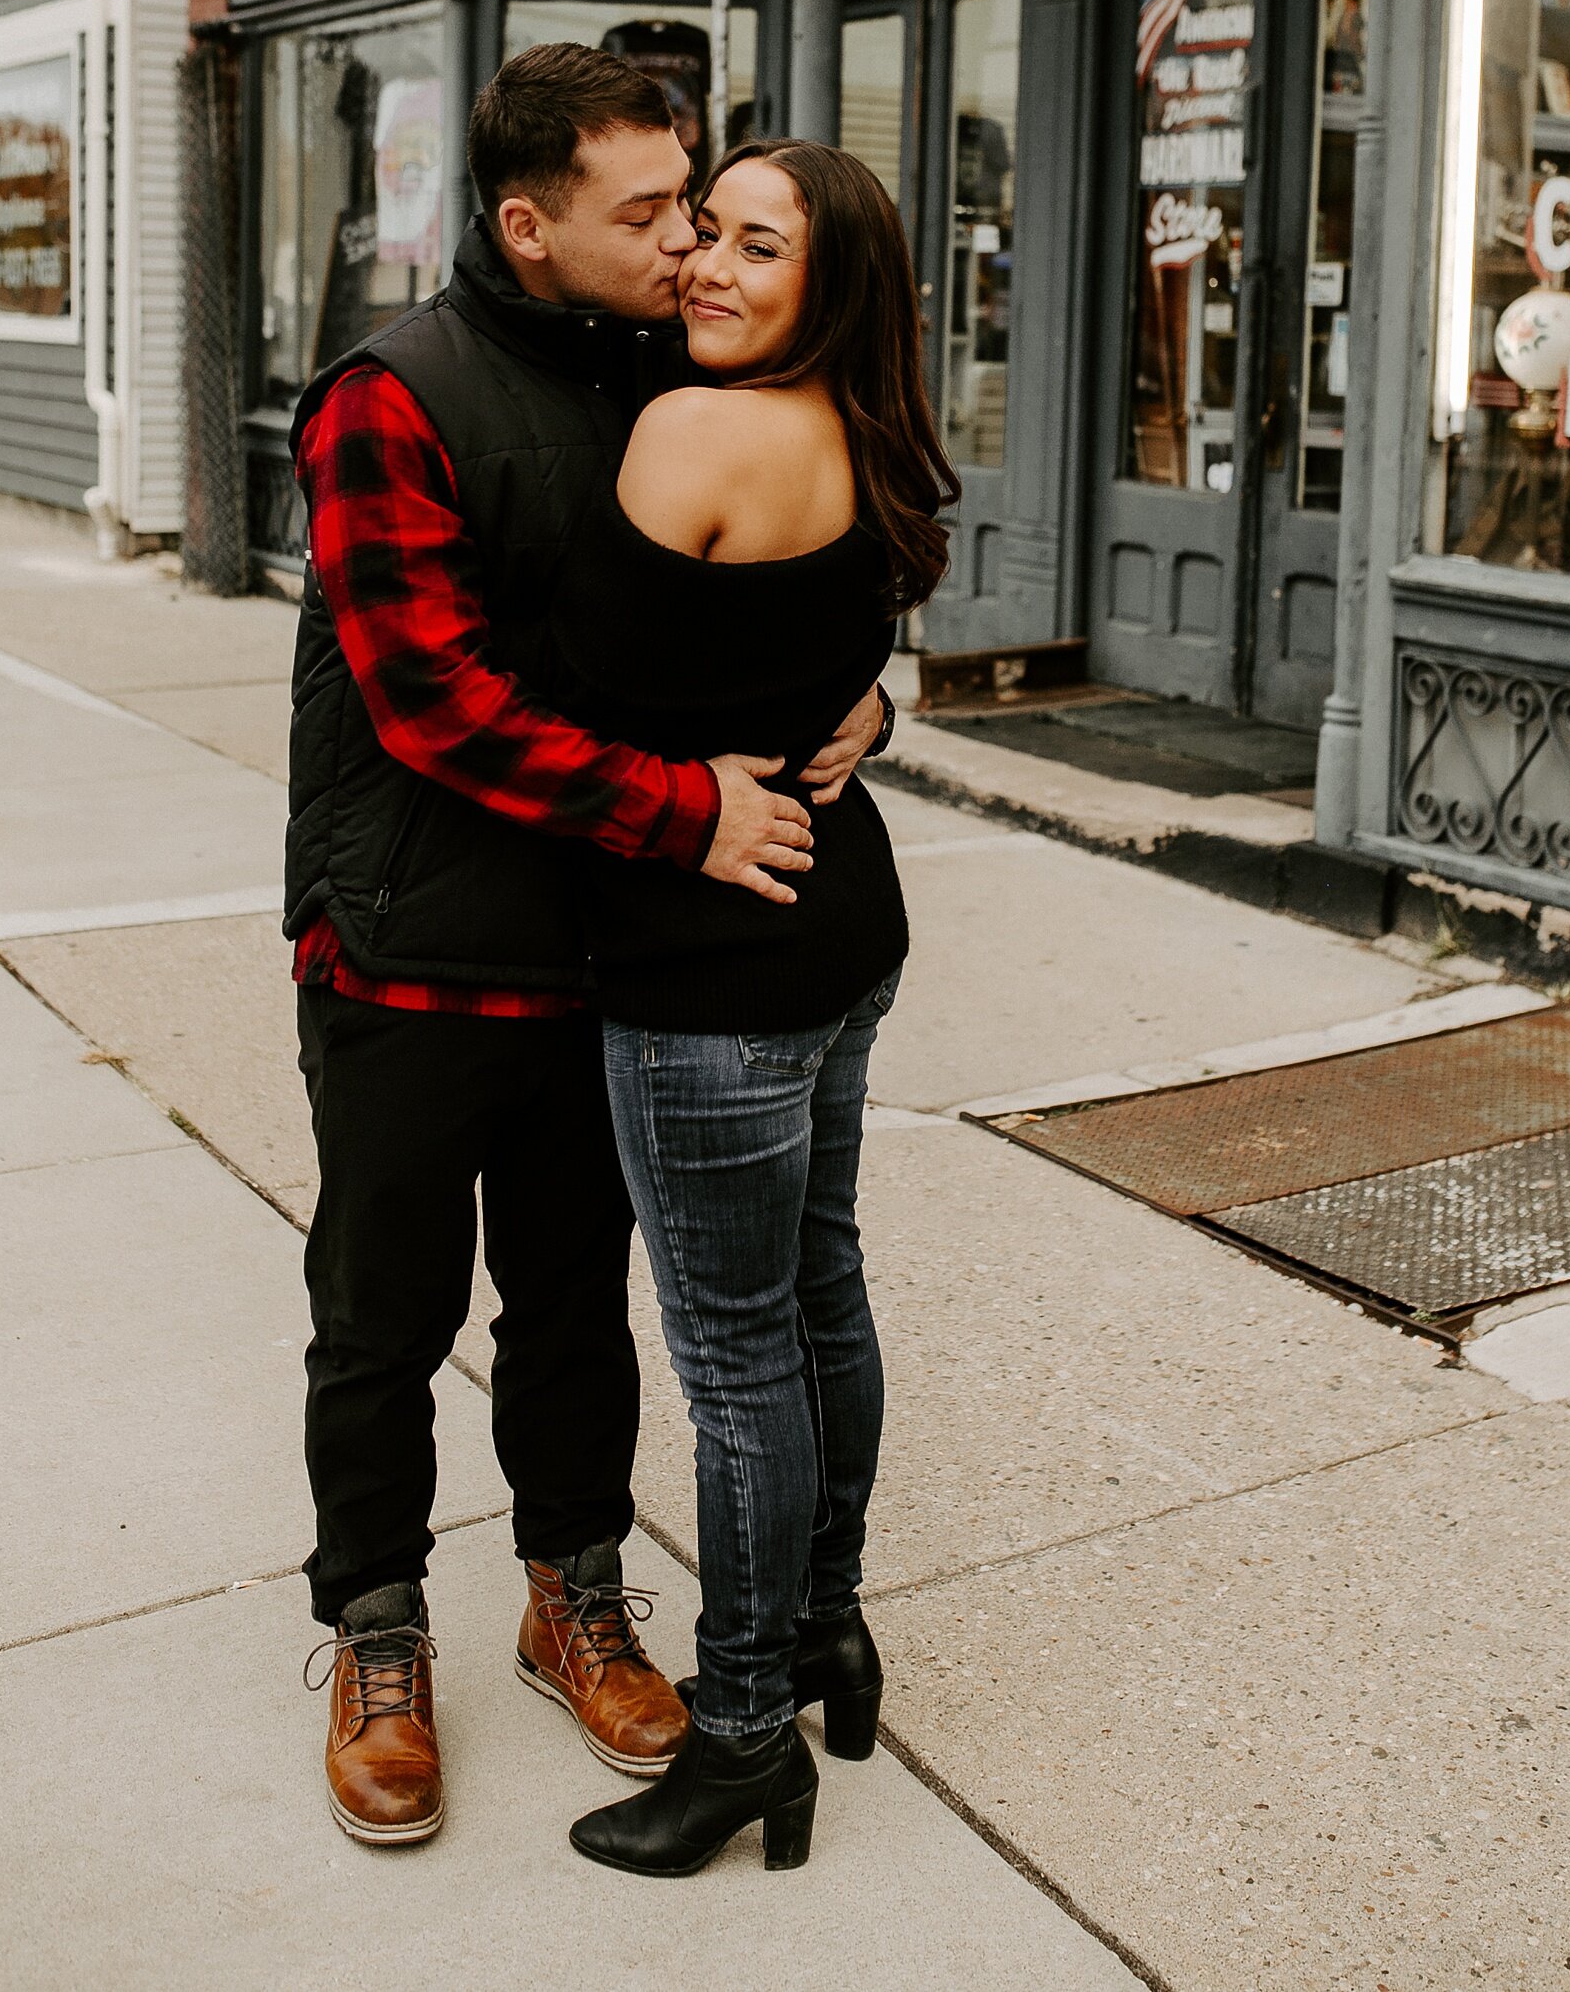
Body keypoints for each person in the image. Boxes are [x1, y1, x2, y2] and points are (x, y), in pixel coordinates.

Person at [285, 50, 891, 1847]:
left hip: (606, 963)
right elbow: (434, 706)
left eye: (695, 202)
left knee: (573, 1312)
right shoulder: (390, 397)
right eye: (647, 214)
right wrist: (682, 814)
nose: (685, 239)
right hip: (408, 940)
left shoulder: (673, 360)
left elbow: (788, 571)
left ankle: (575, 1592)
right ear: (525, 223)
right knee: (379, 1316)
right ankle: (377, 1633)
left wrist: (869, 684)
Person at [544, 140, 958, 1879]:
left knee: (732, 1365)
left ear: (826, 282)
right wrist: (870, 697)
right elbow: (835, 649)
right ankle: (825, 1630)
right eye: (699, 229)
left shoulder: (690, 434)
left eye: (752, 245)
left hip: (708, 959)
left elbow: (565, 702)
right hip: (843, 919)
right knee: (820, 1296)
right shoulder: (868, 435)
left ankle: (736, 1741)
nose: (703, 264)